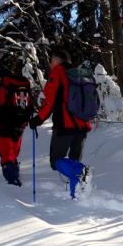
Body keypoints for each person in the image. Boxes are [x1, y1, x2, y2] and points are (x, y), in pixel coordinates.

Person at [29, 49, 91, 197]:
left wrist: (38, 119)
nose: (51, 64)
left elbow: (49, 100)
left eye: (51, 61)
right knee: (73, 160)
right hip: (82, 125)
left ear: (56, 61)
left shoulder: (57, 72)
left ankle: (83, 172)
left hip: (65, 124)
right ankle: (76, 193)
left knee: (56, 160)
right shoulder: (80, 73)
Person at [0, 66, 33, 186]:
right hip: (19, 124)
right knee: (13, 152)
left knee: (7, 154)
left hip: (2, 125)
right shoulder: (19, 87)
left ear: (0, 78)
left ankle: (13, 182)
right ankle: (15, 175)